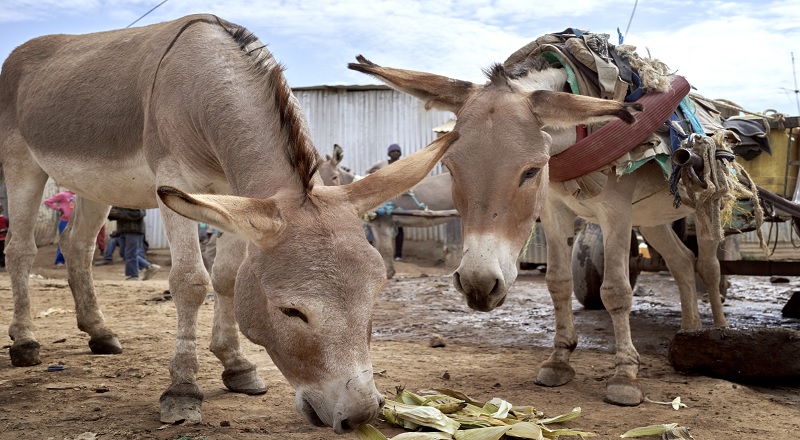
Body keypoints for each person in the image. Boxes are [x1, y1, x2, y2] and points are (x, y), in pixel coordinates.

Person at [366, 143, 405, 261]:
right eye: (393, 151)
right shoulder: (382, 164)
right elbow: (369, 171)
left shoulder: (403, 165)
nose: (395, 153)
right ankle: (378, 254)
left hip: (398, 199)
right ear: (389, 153)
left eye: (397, 151)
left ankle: (398, 254)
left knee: (399, 227)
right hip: (383, 199)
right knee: (379, 226)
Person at [107, 207, 160, 280]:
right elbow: (115, 213)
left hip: (134, 230)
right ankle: (149, 266)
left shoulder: (136, 199)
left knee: (130, 253)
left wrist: (118, 213)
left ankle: (133, 275)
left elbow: (139, 213)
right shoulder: (120, 200)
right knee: (124, 253)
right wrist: (110, 214)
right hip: (122, 230)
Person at [43, 190, 76, 268]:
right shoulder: (63, 194)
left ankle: (72, 263)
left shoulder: (79, 195)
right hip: (65, 222)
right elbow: (47, 201)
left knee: (75, 243)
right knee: (63, 242)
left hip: (76, 222)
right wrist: (58, 208)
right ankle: (59, 262)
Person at [0, 203, 7, 269]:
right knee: (2, 252)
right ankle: (2, 264)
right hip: (3, 238)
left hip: (2, 238)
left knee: (2, 252)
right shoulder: (5, 219)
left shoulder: (4, 219)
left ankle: (2, 264)